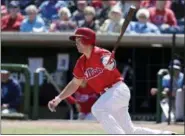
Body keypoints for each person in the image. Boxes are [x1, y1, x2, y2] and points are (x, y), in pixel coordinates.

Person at [48, 27, 175, 134]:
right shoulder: (81, 62)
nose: (76, 42)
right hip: (109, 95)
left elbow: (110, 62)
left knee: (97, 109)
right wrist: (58, 98)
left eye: (79, 40)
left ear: (87, 41)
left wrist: (109, 64)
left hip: (118, 89)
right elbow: (75, 83)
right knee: (130, 131)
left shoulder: (101, 53)